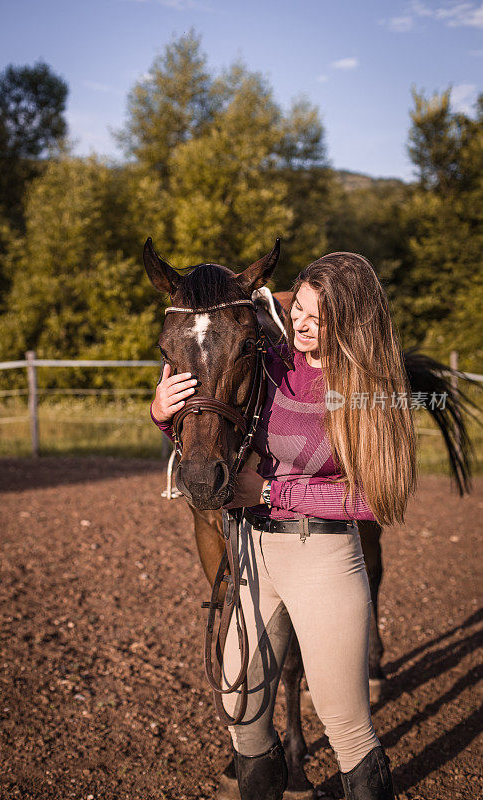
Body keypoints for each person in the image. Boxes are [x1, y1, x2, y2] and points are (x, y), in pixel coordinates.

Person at [151, 253, 417, 800]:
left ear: (350, 320)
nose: (299, 324)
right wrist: (162, 412)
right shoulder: (270, 364)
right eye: (298, 311)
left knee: (347, 730)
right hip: (255, 556)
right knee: (241, 710)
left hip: (321, 559)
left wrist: (273, 491)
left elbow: (378, 495)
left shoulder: (365, 390)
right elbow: (218, 392)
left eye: (315, 318)